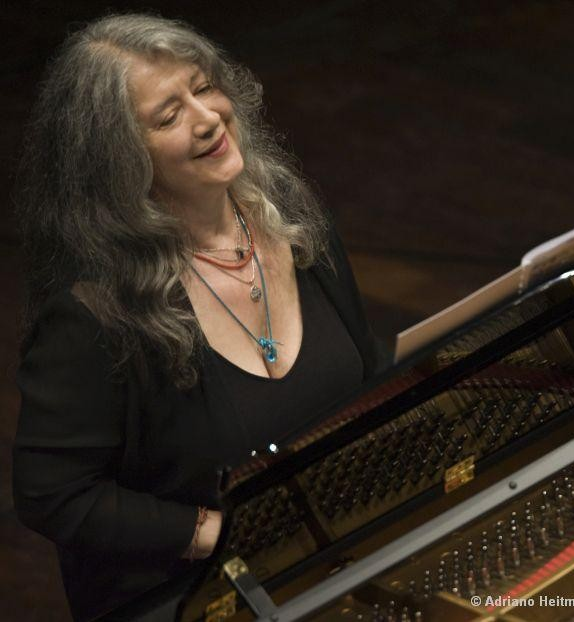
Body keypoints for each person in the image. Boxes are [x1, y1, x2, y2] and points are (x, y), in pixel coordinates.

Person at [12, 13, 390, 622]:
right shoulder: (93, 314)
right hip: (193, 597)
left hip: (337, 556)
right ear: (120, 160)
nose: (209, 117)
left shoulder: (292, 219)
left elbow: (365, 369)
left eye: (204, 87)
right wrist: (219, 533)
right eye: (168, 116)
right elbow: (53, 495)